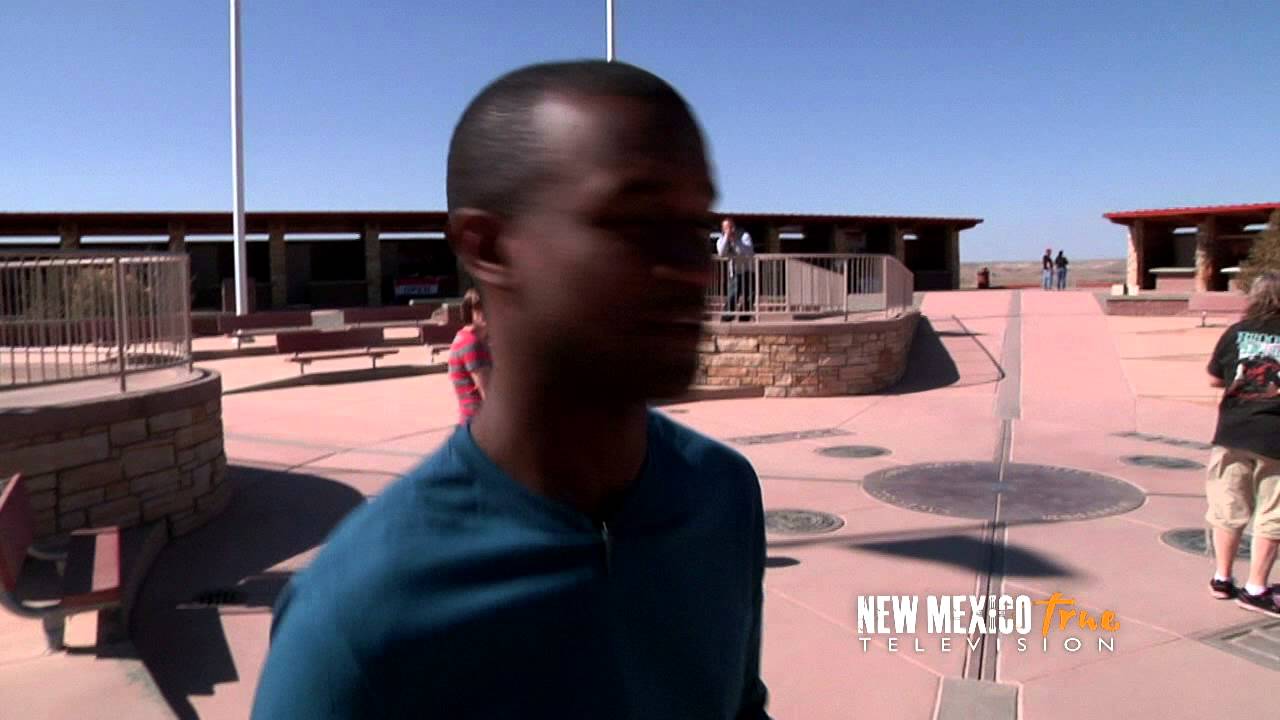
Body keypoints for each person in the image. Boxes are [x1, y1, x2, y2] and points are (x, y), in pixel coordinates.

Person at [252, 60, 771, 718]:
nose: (698, 271)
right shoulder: (357, 621)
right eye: (636, 222)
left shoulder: (723, 495)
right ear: (490, 247)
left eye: (698, 226)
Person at [1204, 271, 1280, 618]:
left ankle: (1222, 577)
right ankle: (1256, 588)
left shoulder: (1236, 332)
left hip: (1233, 431)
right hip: (1274, 437)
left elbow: (1214, 377)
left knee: (1228, 506)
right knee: (1272, 514)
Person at [447, 287, 491, 423]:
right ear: (469, 312)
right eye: (480, 308)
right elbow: (488, 393)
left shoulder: (470, 339)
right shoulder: (471, 344)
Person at [717, 217, 754, 320]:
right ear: (723, 229)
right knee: (733, 295)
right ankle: (727, 318)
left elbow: (748, 252)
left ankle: (745, 319)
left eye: (731, 227)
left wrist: (735, 241)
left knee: (749, 296)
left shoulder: (744, 236)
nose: (730, 230)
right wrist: (727, 237)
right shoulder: (721, 240)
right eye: (726, 228)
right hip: (734, 272)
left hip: (748, 270)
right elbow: (721, 253)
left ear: (735, 227)